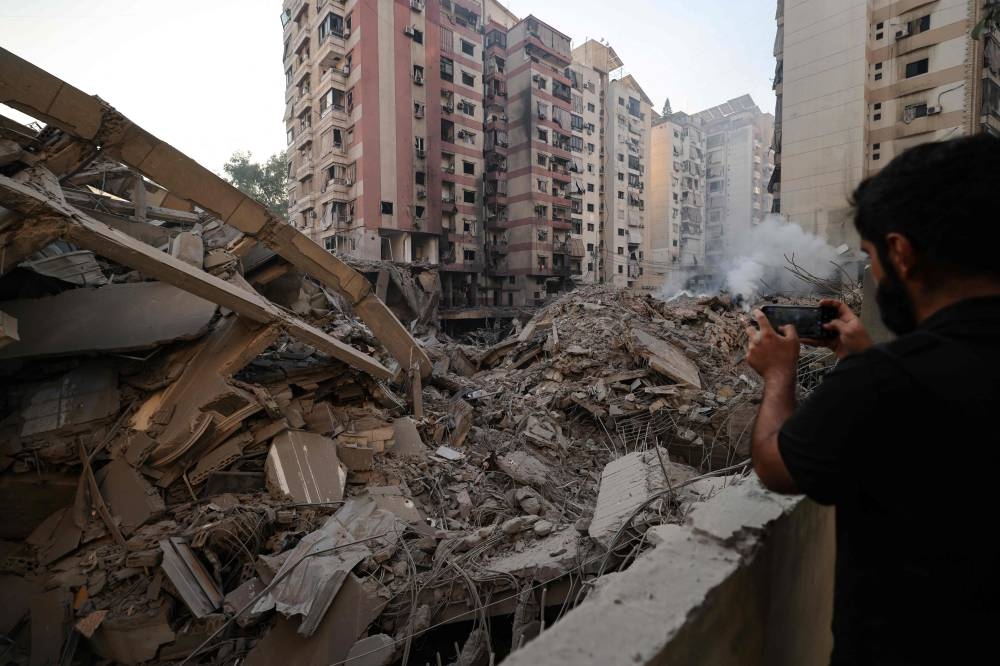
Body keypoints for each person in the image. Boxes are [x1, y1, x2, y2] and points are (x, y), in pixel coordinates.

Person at [744, 134, 1000, 665]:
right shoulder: (883, 376)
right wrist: (858, 355)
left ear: (901, 252)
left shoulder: (886, 383)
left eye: (871, 256)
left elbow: (776, 465)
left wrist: (776, 375)